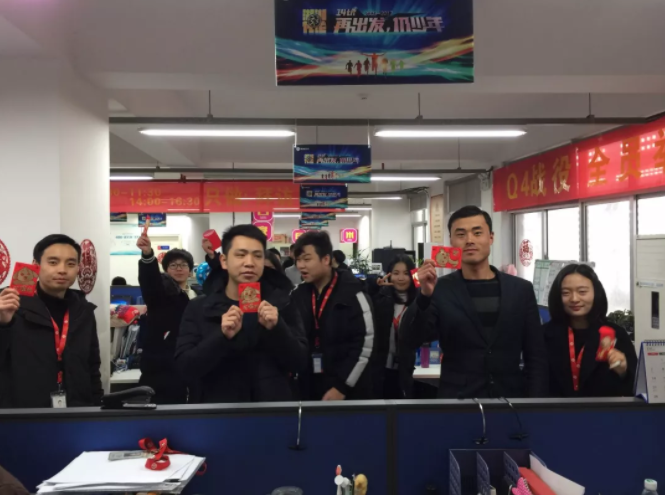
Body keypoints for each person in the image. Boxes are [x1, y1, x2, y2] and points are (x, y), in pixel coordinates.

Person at [400, 206, 548, 399]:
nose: (469, 240)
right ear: (451, 241)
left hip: (510, 401)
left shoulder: (521, 290)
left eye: (477, 233)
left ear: (491, 237)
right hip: (457, 402)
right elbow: (410, 339)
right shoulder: (440, 289)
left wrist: (535, 404)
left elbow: (536, 356)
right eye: (461, 234)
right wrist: (424, 296)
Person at [175, 225, 308, 403]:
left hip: (272, 412)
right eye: (240, 255)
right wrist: (221, 336)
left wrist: (278, 329)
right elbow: (185, 368)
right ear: (224, 261)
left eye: (257, 256)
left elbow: (300, 362)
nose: (249, 262)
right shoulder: (199, 307)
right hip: (217, 412)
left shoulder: (283, 304)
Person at [0, 234, 103, 408]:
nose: (62, 270)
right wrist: (3, 325)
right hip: (23, 413)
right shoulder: (9, 305)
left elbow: (92, 366)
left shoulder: (83, 311)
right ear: (35, 265)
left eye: (70, 264)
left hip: (77, 410)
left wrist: (97, 406)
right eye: (53, 262)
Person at [291, 231, 374, 400]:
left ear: (326, 259)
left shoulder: (353, 293)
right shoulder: (297, 295)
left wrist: (342, 387)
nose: (301, 266)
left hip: (348, 393)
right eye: (298, 260)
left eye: (307, 259)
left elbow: (365, 344)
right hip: (308, 388)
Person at [544, 264, 637, 397]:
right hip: (554, 409)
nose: (574, 299)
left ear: (596, 293)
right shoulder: (543, 335)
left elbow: (634, 389)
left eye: (582, 292)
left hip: (602, 409)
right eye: (566, 293)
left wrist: (623, 371)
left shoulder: (617, 334)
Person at [136, 234, 200, 404]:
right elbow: (149, 281)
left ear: (190, 270)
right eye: (173, 265)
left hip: (191, 365)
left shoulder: (198, 296)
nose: (179, 268)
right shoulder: (159, 295)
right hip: (162, 370)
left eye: (183, 265)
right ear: (165, 270)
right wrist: (148, 255)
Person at [371, 255, 419, 399]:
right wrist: (374, 286)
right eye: (396, 273)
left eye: (406, 273)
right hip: (381, 370)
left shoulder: (418, 302)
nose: (401, 278)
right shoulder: (380, 300)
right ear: (389, 275)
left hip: (407, 370)